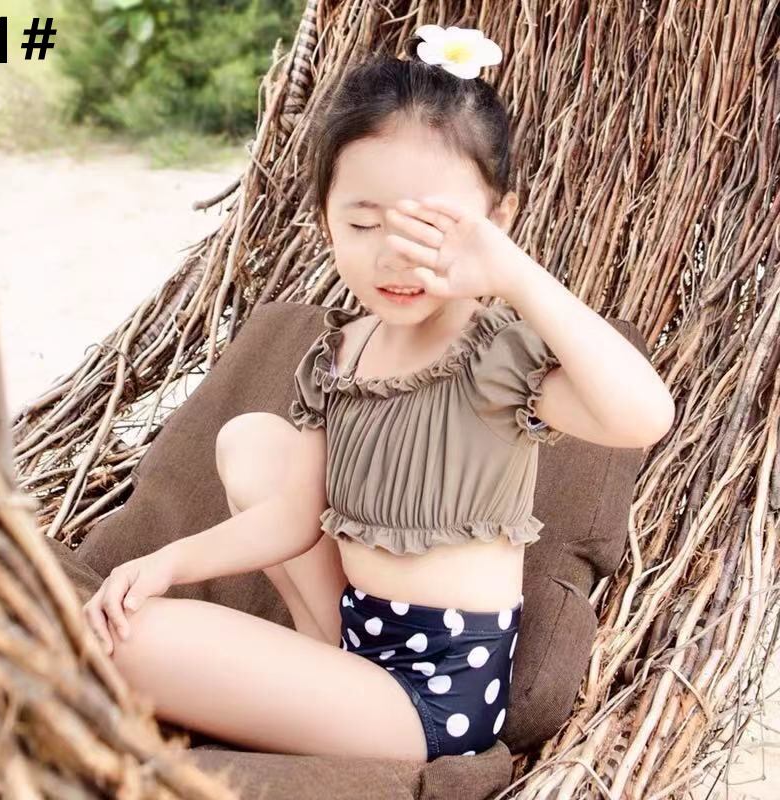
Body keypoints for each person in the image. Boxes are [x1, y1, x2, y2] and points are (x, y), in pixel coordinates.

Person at [83, 24, 675, 763]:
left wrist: (516, 276)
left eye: (430, 229)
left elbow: (644, 416)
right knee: (251, 439)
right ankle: (314, 673)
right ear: (326, 221)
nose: (395, 256)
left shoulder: (497, 355)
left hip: (431, 702)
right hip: (350, 642)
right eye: (364, 223)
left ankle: (313, 697)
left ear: (498, 222)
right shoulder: (342, 352)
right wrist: (170, 563)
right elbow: (293, 520)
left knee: (125, 640)